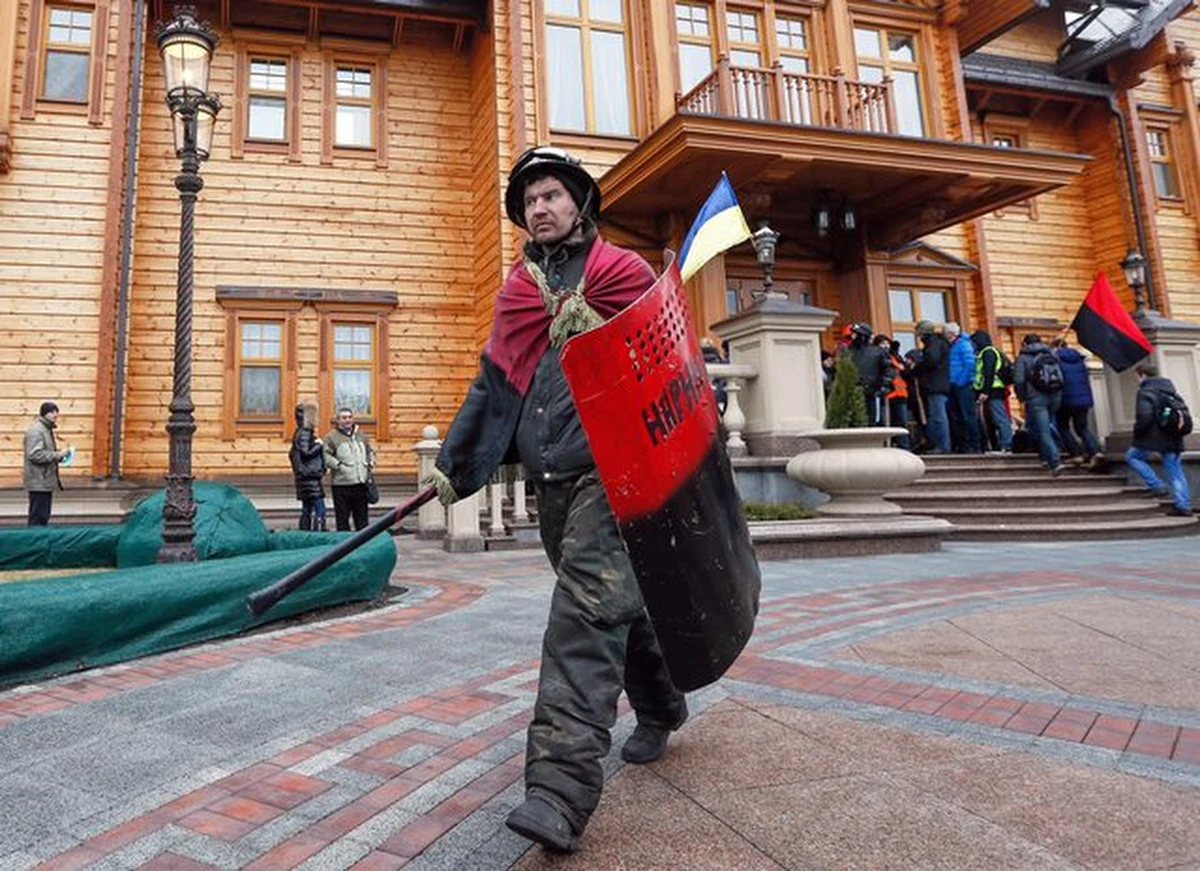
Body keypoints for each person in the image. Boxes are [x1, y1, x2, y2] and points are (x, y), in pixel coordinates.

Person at [426, 146, 687, 854]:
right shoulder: (518, 293)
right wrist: (454, 467)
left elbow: (670, 368)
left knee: (584, 609)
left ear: (579, 203)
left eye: (551, 195)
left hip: (616, 474)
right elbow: (494, 384)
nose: (540, 207)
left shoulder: (622, 276)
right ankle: (662, 701)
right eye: (530, 199)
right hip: (554, 482)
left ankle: (559, 789)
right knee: (609, 606)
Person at [1125, 362, 1193, 516]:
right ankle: (1183, 506)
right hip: (1173, 436)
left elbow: (1144, 417)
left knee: (1132, 456)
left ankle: (1157, 485)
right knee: (1176, 472)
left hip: (1152, 437)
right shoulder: (1170, 390)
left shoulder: (1145, 392)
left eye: (1137, 376)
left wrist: (1137, 434)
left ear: (1142, 375)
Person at [1013, 333, 1065, 475]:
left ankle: (1055, 462)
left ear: (1024, 344)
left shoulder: (1022, 358)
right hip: (1055, 395)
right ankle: (1044, 457)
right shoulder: (1052, 355)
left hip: (1035, 398)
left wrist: (1022, 397)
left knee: (1043, 430)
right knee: (1041, 425)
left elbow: (1018, 380)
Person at [1052, 337, 1102, 468]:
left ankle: (1076, 454)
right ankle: (1095, 452)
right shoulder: (1079, 360)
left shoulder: (1055, 360)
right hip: (1083, 399)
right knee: (1082, 427)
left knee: (1063, 426)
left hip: (1065, 399)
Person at [323, 407, 375, 531]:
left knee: (362, 521)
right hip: (341, 486)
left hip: (361, 484)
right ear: (338, 420)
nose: (347, 420)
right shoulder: (331, 437)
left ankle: (363, 546)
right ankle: (345, 548)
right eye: (344, 418)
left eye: (349, 417)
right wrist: (339, 466)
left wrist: (370, 463)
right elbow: (325, 456)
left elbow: (369, 451)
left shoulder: (361, 436)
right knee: (342, 521)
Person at [24, 401, 70, 526]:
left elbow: (44, 453)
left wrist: (59, 457)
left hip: (43, 481)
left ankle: (37, 542)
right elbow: (34, 455)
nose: (56, 415)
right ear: (44, 414)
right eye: (52, 412)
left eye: (56, 412)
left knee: (42, 516)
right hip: (39, 481)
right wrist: (57, 455)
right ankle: (34, 543)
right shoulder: (37, 431)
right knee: (38, 517)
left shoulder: (45, 429)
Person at [838, 322, 894, 425]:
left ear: (863, 336)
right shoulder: (848, 352)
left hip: (872, 393)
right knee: (853, 423)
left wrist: (884, 386)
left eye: (856, 334)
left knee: (872, 422)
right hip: (852, 393)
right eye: (853, 334)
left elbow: (888, 370)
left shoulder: (878, 352)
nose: (853, 336)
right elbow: (840, 372)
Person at [910, 320, 951, 453]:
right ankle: (937, 445)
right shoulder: (939, 342)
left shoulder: (933, 344)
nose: (918, 337)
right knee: (935, 416)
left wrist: (916, 368)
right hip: (938, 384)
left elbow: (931, 361)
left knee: (938, 417)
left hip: (935, 385)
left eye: (919, 334)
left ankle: (942, 446)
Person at [971, 329, 1013, 453]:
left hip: (993, 390)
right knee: (992, 419)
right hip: (991, 390)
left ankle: (1006, 445)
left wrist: (985, 391)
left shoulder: (988, 353)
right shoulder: (985, 352)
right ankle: (998, 445)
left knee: (1000, 418)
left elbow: (988, 373)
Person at [290, 401, 327, 531]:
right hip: (310, 478)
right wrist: (319, 445)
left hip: (304, 477)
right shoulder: (305, 432)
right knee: (320, 510)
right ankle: (319, 535)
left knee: (307, 509)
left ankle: (305, 534)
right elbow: (305, 452)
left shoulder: (300, 431)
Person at [946, 322, 981, 453]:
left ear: (952, 334)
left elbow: (970, 365)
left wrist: (960, 381)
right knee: (959, 417)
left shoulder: (963, 344)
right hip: (955, 385)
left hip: (963, 385)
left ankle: (975, 445)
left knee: (968, 416)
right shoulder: (954, 345)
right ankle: (964, 445)